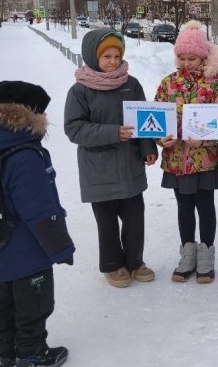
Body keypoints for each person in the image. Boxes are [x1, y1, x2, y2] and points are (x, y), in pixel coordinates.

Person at [0, 81, 75, 367]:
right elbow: (40, 211)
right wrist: (61, 249)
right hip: (30, 247)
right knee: (34, 305)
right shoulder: (25, 156)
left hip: (0, 242)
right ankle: (32, 354)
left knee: (4, 301)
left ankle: (6, 354)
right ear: (30, 114)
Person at [64, 29, 159, 287]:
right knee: (106, 223)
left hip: (129, 166)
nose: (113, 61)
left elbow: (143, 119)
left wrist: (148, 147)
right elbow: (74, 128)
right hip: (99, 169)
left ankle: (135, 262)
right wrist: (113, 132)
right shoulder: (80, 91)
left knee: (134, 218)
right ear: (93, 57)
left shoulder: (131, 84)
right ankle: (112, 265)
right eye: (106, 56)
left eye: (117, 55)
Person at [153, 20, 218, 284]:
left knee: (205, 205)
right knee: (184, 207)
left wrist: (206, 142)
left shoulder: (216, 84)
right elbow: (154, 118)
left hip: (205, 160)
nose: (186, 63)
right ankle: (187, 254)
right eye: (182, 58)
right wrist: (160, 139)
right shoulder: (168, 83)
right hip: (176, 159)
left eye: (192, 58)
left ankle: (206, 255)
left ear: (203, 56)